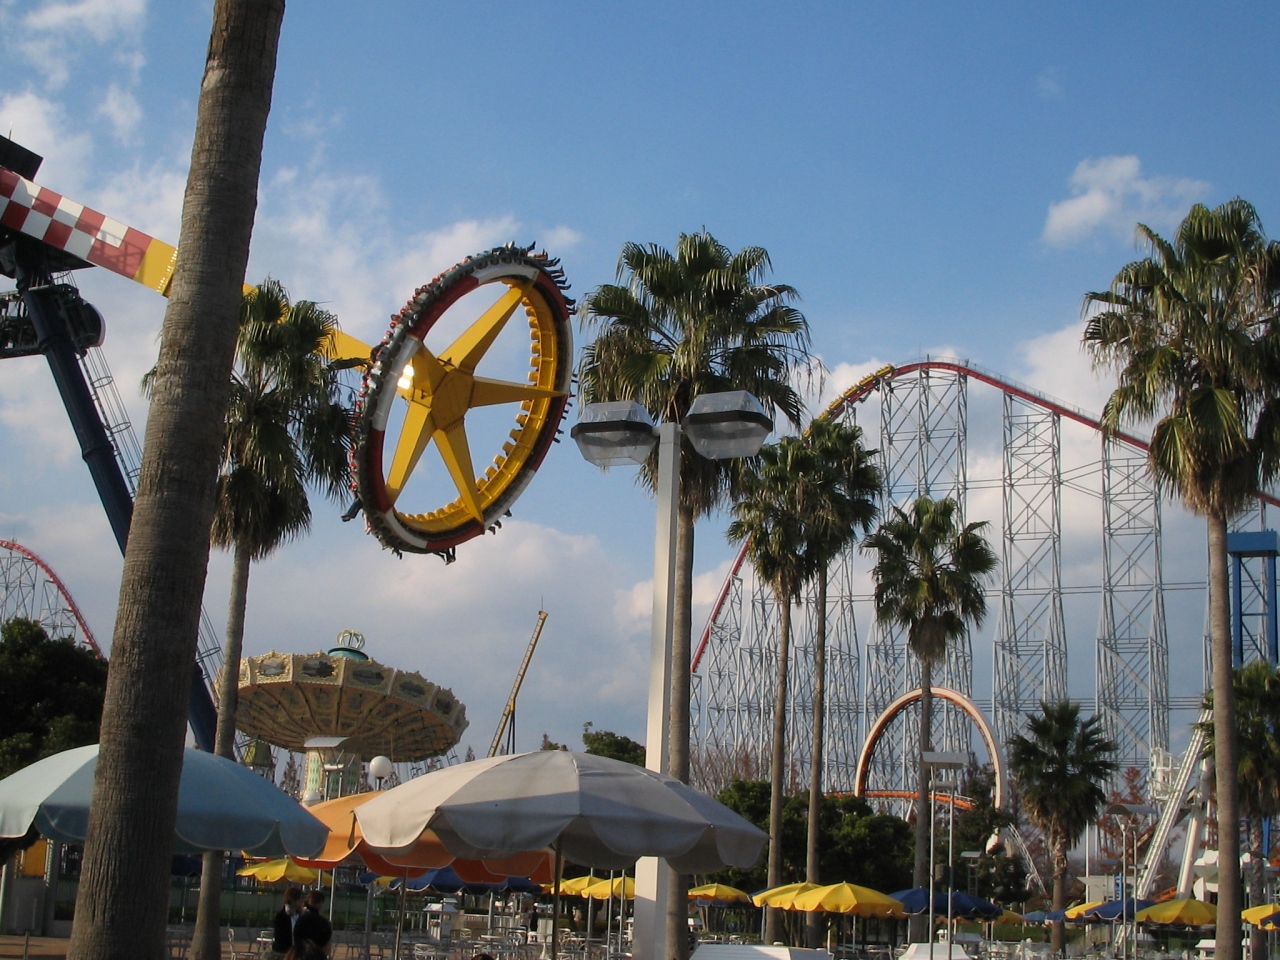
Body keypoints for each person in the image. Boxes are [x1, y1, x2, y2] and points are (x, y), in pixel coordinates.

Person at [292, 889, 334, 955]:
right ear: (320, 903)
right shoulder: (323, 923)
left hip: (300, 954)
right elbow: (327, 949)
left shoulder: (299, 918)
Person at [270, 886, 303, 959]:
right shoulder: (281, 916)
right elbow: (279, 936)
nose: (302, 901)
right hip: (283, 952)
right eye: (300, 899)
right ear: (293, 900)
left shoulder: (300, 915)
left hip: (296, 952)